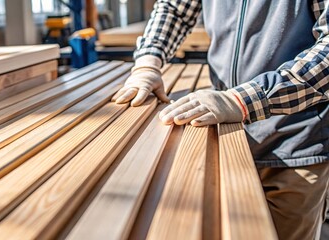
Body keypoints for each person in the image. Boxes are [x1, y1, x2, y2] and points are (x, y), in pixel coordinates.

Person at [112, 1, 329, 239]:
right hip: (224, 135)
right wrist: (147, 63)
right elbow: (175, 9)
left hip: (294, 142)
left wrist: (242, 100)